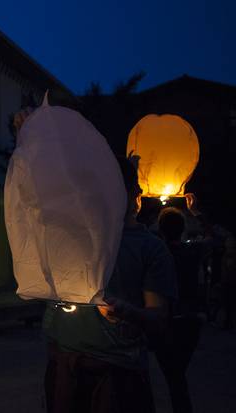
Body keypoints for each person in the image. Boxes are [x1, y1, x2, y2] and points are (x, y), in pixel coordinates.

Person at [43, 156, 177, 413]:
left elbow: (159, 318)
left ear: (130, 194)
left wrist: (127, 311)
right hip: (64, 367)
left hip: (117, 374)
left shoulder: (149, 248)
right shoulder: (76, 238)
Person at [152, 207, 205, 413]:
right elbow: (215, 237)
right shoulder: (192, 251)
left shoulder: (156, 251)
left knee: (175, 376)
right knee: (177, 375)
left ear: (161, 229)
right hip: (190, 320)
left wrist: (135, 212)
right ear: (183, 228)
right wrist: (196, 212)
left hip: (167, 320)